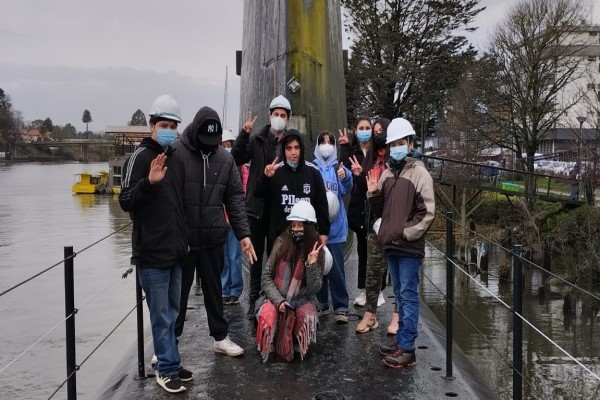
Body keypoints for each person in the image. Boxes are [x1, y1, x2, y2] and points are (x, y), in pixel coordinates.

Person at [118, 94, 193, 393]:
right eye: (163, 124)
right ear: (151, 126)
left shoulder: (173, 157)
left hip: (175, 251)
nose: (169, 130)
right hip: (152, 254)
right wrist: (148, 182)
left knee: (172, 312)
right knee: (161, 315)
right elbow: (125, 201)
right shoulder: (140, 157)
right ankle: (166, 368)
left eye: (173, 126)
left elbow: (179, 205)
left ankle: (170, 359)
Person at [172, 106, 257, 357]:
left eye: (214, 142)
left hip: (212, 238)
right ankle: (170, 341)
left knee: (214, 292)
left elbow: (235, 199)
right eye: (205, 142)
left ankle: (220, 338)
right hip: (183, 240)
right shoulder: (176, 153)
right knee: (178, 295)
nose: (210, 147)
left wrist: (243, 235)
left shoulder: (225, 158)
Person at [366, 117, 435, 368]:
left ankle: (407, 348)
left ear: (409, 143)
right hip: (391, 245)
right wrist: (373, 193)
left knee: (408, 296)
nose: (396, 147)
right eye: (392, 143)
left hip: (407, 247)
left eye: (400, 142)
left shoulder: (419, 173)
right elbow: (380, 210)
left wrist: (405, 233)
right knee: (400, 295)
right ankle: (401, 344)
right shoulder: (386, 173)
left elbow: (426, 213)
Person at [231, 95, 291, 318]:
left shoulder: (289, 144)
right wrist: (244, 133)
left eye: (283, 116)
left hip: (278, 210)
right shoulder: (255, 140)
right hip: (256, 209)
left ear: (288, 119)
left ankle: (274, 300)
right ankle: (253, 299)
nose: (279, 119)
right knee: (255, 260)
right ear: (269, 116)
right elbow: (236, 157)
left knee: (276, 257)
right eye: (276, 114)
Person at [255, 201, 325, 362]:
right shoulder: (281, 242)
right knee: (268, 313)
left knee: (307, 315)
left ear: (308, 227)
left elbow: (315, 289)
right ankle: (270, 338)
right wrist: (279, 301)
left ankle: (294, 338)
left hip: (302, 299)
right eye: (293, 225)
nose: (295, 230)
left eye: (300, 225)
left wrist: (311, 264)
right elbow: (266, 277)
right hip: (275, 297)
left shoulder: (316, 249)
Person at [351, 118, 395, 334]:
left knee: (394, 269)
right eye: (375, 131)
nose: (377, 135)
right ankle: (371, 315)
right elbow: (366, 190)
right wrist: (359, 176)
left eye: (380, 131)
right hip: (373, 221)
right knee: (372, 268)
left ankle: (396, 317)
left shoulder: (394, 159)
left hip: (392, 221)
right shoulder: (370, 157)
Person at [256, 128, 330, 247]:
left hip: (307, 239)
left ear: (302, 148)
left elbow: (322, 205)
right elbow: (258, 193)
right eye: (289, 148)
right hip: (279, 239)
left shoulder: (313, 172)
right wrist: (266, 177)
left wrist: (324, 233)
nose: (293, 152)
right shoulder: (275, 171)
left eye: (296, 147)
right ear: (283, 150)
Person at [312, 130, 353, 323]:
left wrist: (345, 176)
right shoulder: (312, 168)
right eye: (323, 142)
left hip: (335, 229)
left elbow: (346, 189)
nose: (326, 145)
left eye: (329, 142)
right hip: (317, 228)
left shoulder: (339, 167)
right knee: (319, 266)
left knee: (336, 269)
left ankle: (341, 306)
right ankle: (321, 304)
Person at [338, 117, 372, 307]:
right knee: (362, 249)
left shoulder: (377, 152)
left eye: (368, 128)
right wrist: (344, 146)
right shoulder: (353, 151)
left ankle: (379, 289)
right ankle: (363, 289)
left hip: (375, 205)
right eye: (361, 128)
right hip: (359, 206)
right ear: (356, 131)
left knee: (377, 250)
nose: (365, 131)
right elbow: (343, 168)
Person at [220, 129, 248, 305]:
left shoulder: (243, 169)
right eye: (223, 146)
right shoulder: (217, 168)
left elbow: (241, 194)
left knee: (234, 257)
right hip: (220, 221)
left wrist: (234, 217)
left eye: (229, 145)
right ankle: (224, 290)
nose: (227, 148)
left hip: (234, 222)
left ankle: (235, 291)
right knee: (223, 258)